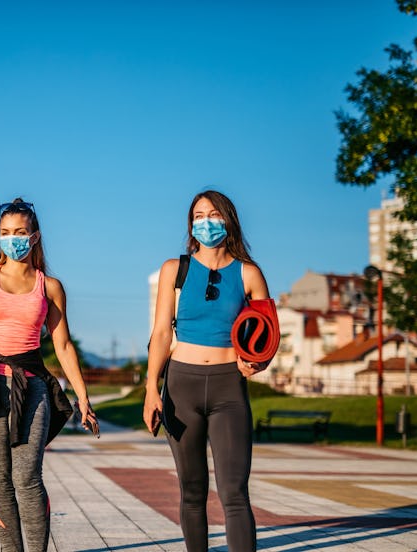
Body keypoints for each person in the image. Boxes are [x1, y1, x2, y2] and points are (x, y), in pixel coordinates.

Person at [0, 198, 99, 552]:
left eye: (19, 232)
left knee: (27, 478)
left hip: (31, 387)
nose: (11, 239)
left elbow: (62, 346)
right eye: (4, 233)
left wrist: (83, 397)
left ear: (34, 236)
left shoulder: (49, 287)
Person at [143, 190, 270, 552]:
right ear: (190, 224)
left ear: (228, 219)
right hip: (181, 386)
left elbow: (266, 335)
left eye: (213, 214)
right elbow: (161, 334)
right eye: (198, 216)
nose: (205, 222)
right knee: (192, 490)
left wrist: (259, 362)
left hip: (229, 388)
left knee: (234, 493)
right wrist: (152, 388)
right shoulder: (175, 269)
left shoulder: (249, 274)